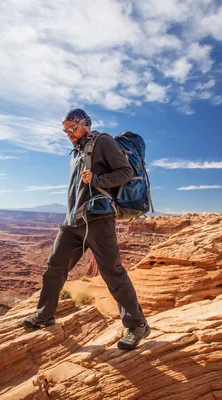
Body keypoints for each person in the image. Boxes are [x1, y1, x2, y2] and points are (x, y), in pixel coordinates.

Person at [21, 107, 150, 351]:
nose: (68, 133)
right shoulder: (76, 151)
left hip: (98, 219)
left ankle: (137, 325)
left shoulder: (103, 142)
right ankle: (45, 314)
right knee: (54, 267)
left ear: (85, 124)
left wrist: (98, 180)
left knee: (112, 273)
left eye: (72, 127)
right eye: (65, 130)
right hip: (73, 222)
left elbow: (126, 172)